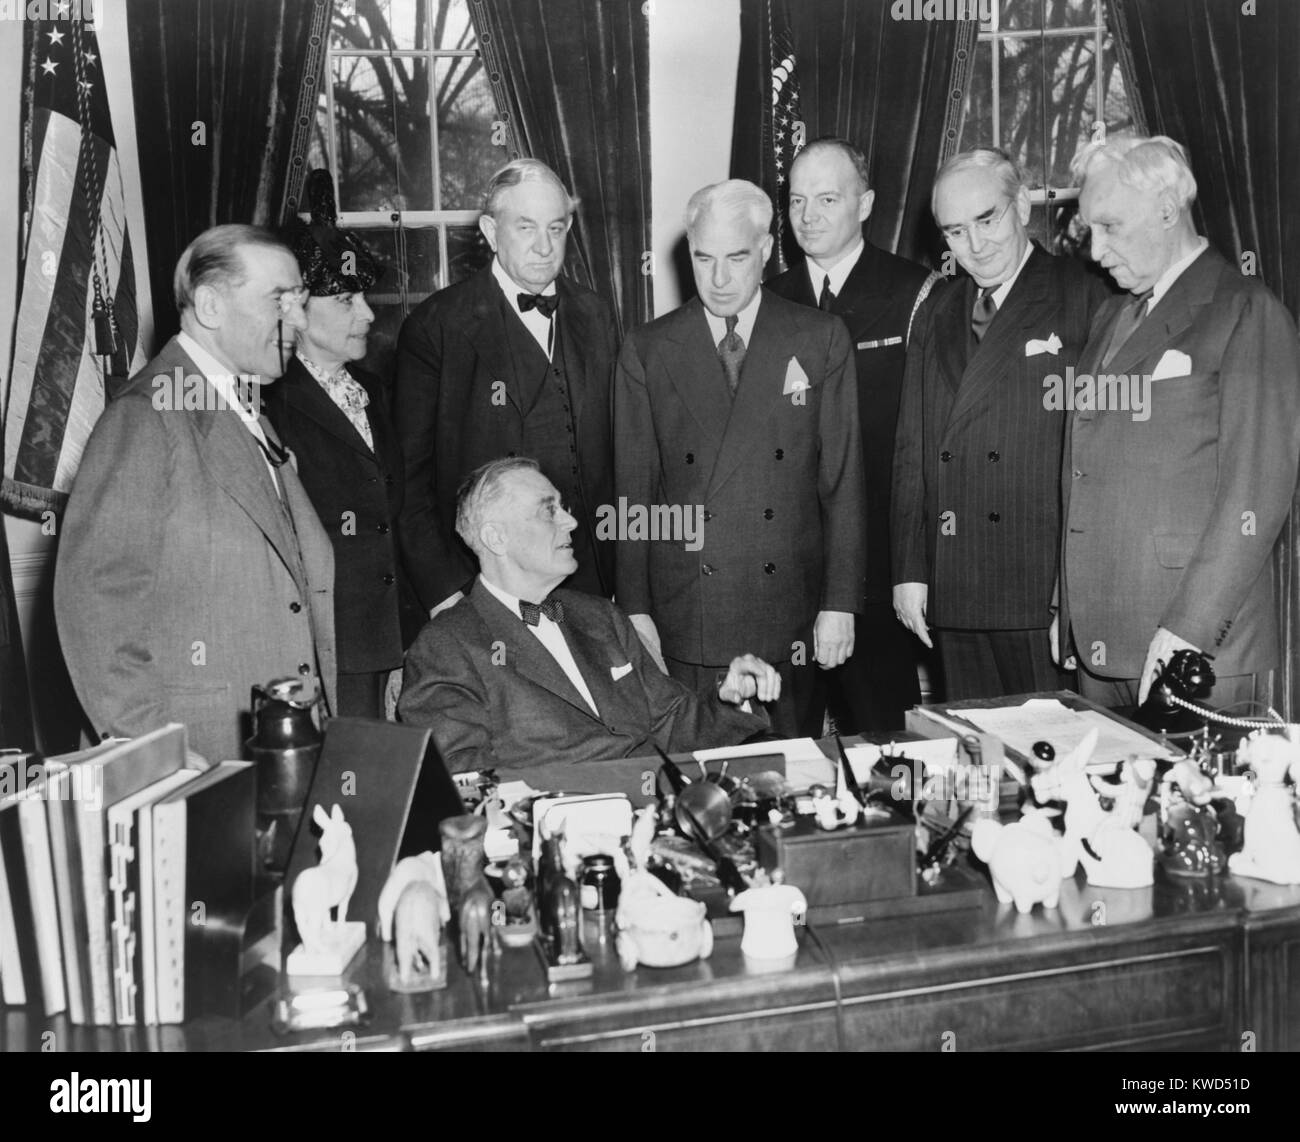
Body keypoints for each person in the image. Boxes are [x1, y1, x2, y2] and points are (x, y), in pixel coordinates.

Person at [54, 224, 337, 763]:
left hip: (277, 745)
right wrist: (158, 753)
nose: (299, 322)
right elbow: (97, 610)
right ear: (210, 306)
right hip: (199, 754)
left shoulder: (245, 410)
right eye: (281, 301)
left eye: (300, 302)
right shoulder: (146, 417)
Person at [613, 179, 865, 739]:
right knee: (701, 781)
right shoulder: (648, 349)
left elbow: (842, 482)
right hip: (691, 612)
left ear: (767, 249)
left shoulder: (820, 337)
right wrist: (636, 610)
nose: (719, 279)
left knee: (794, 776)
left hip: (791, 613)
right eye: (704, 259)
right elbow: (636, 495)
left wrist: (840, 602)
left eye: (736, 258)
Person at [1058, 135, 1300, 709]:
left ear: (1167, 209)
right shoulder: (1111, 315)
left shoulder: (1246, 310)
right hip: (1099, 638)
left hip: (1190, 650)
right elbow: (1084, 471)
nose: (1096, 251)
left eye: (1110, 227)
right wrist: (1064, 608)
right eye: (1091, 230)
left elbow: (1257, 494)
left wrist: (1189, 631)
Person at [891, 146, 1108, 700]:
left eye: (987, 220)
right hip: (956, 580)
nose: (975, 245)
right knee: (976, 758)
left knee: (1050, 758)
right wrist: (910, 569)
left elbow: (1104, 458)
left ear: (1022, 207)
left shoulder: (1084, 293)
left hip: (1041, 587)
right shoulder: (937, 309)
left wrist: (1078, 592)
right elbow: (912, 449)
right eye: (956, 232)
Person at [397, 458, 777, 773]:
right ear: (496, 538)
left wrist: (730, 697)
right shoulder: (446, 645)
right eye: (549, 511)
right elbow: (461, 775)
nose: (571, 522)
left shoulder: (600, 616)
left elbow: (673, 722)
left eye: (565, 508)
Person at [767, 137, 943, 731]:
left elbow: (925, 445)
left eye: (826, 199)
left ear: (865, 205)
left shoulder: (916, 294)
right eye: (795, 201)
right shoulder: (770, 301)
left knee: (890, 747)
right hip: (790, 570)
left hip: (879, 569)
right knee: (785, 752)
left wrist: (910, 567)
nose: (808, 217)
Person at [394, 158, 618, 619]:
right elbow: (407, 480)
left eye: (556, 229)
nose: (543, 246)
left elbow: (621, 459)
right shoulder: (437, 326)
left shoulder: (597, 315)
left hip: (592, 584)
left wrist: (627, 589)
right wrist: (444, 593)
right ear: (491, 232)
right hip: (483, 589)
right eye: (525, 228)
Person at [265, 170, 422, 718]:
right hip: (324, 649)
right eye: (347, 301)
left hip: (396, 639)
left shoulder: (375, 389)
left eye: (364, 298)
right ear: (298, 312)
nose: (369, 314)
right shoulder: (270, 404)